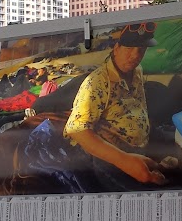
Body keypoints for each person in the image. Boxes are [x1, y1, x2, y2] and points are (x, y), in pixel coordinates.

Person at [63, 22, 167, 186]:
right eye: (129, 48)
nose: (135, 55)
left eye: (141, 49)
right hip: (110, 156)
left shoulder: (137, 71)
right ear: (117, 48)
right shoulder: (97, 82)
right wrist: (125, 161)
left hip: (140, 145)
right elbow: (78, 130)